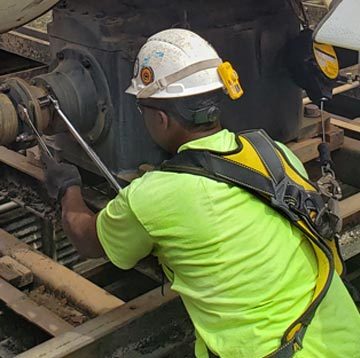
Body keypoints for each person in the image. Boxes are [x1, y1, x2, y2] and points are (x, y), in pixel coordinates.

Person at [41, 29, 360, 358]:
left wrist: (69, 189)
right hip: (344, 336)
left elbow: (87, 239)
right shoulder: (272, 152)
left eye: (143, 110)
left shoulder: (153, 197)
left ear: (162, 119)